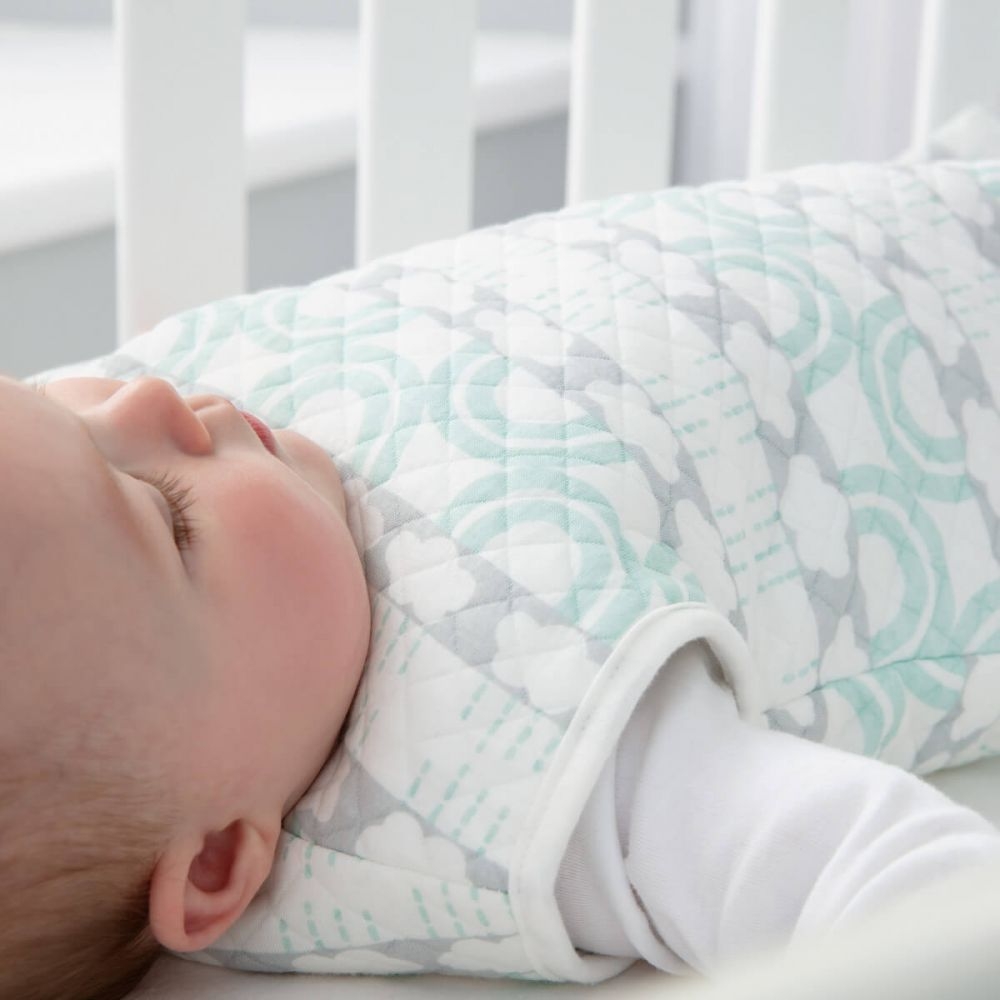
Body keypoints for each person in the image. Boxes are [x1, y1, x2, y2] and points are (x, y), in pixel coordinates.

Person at [1, 373, 998, 1000]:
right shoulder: (534, 747)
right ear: (219, 860)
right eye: (166, 514)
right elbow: (926, 904)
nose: (148, 397)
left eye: (52, 397)